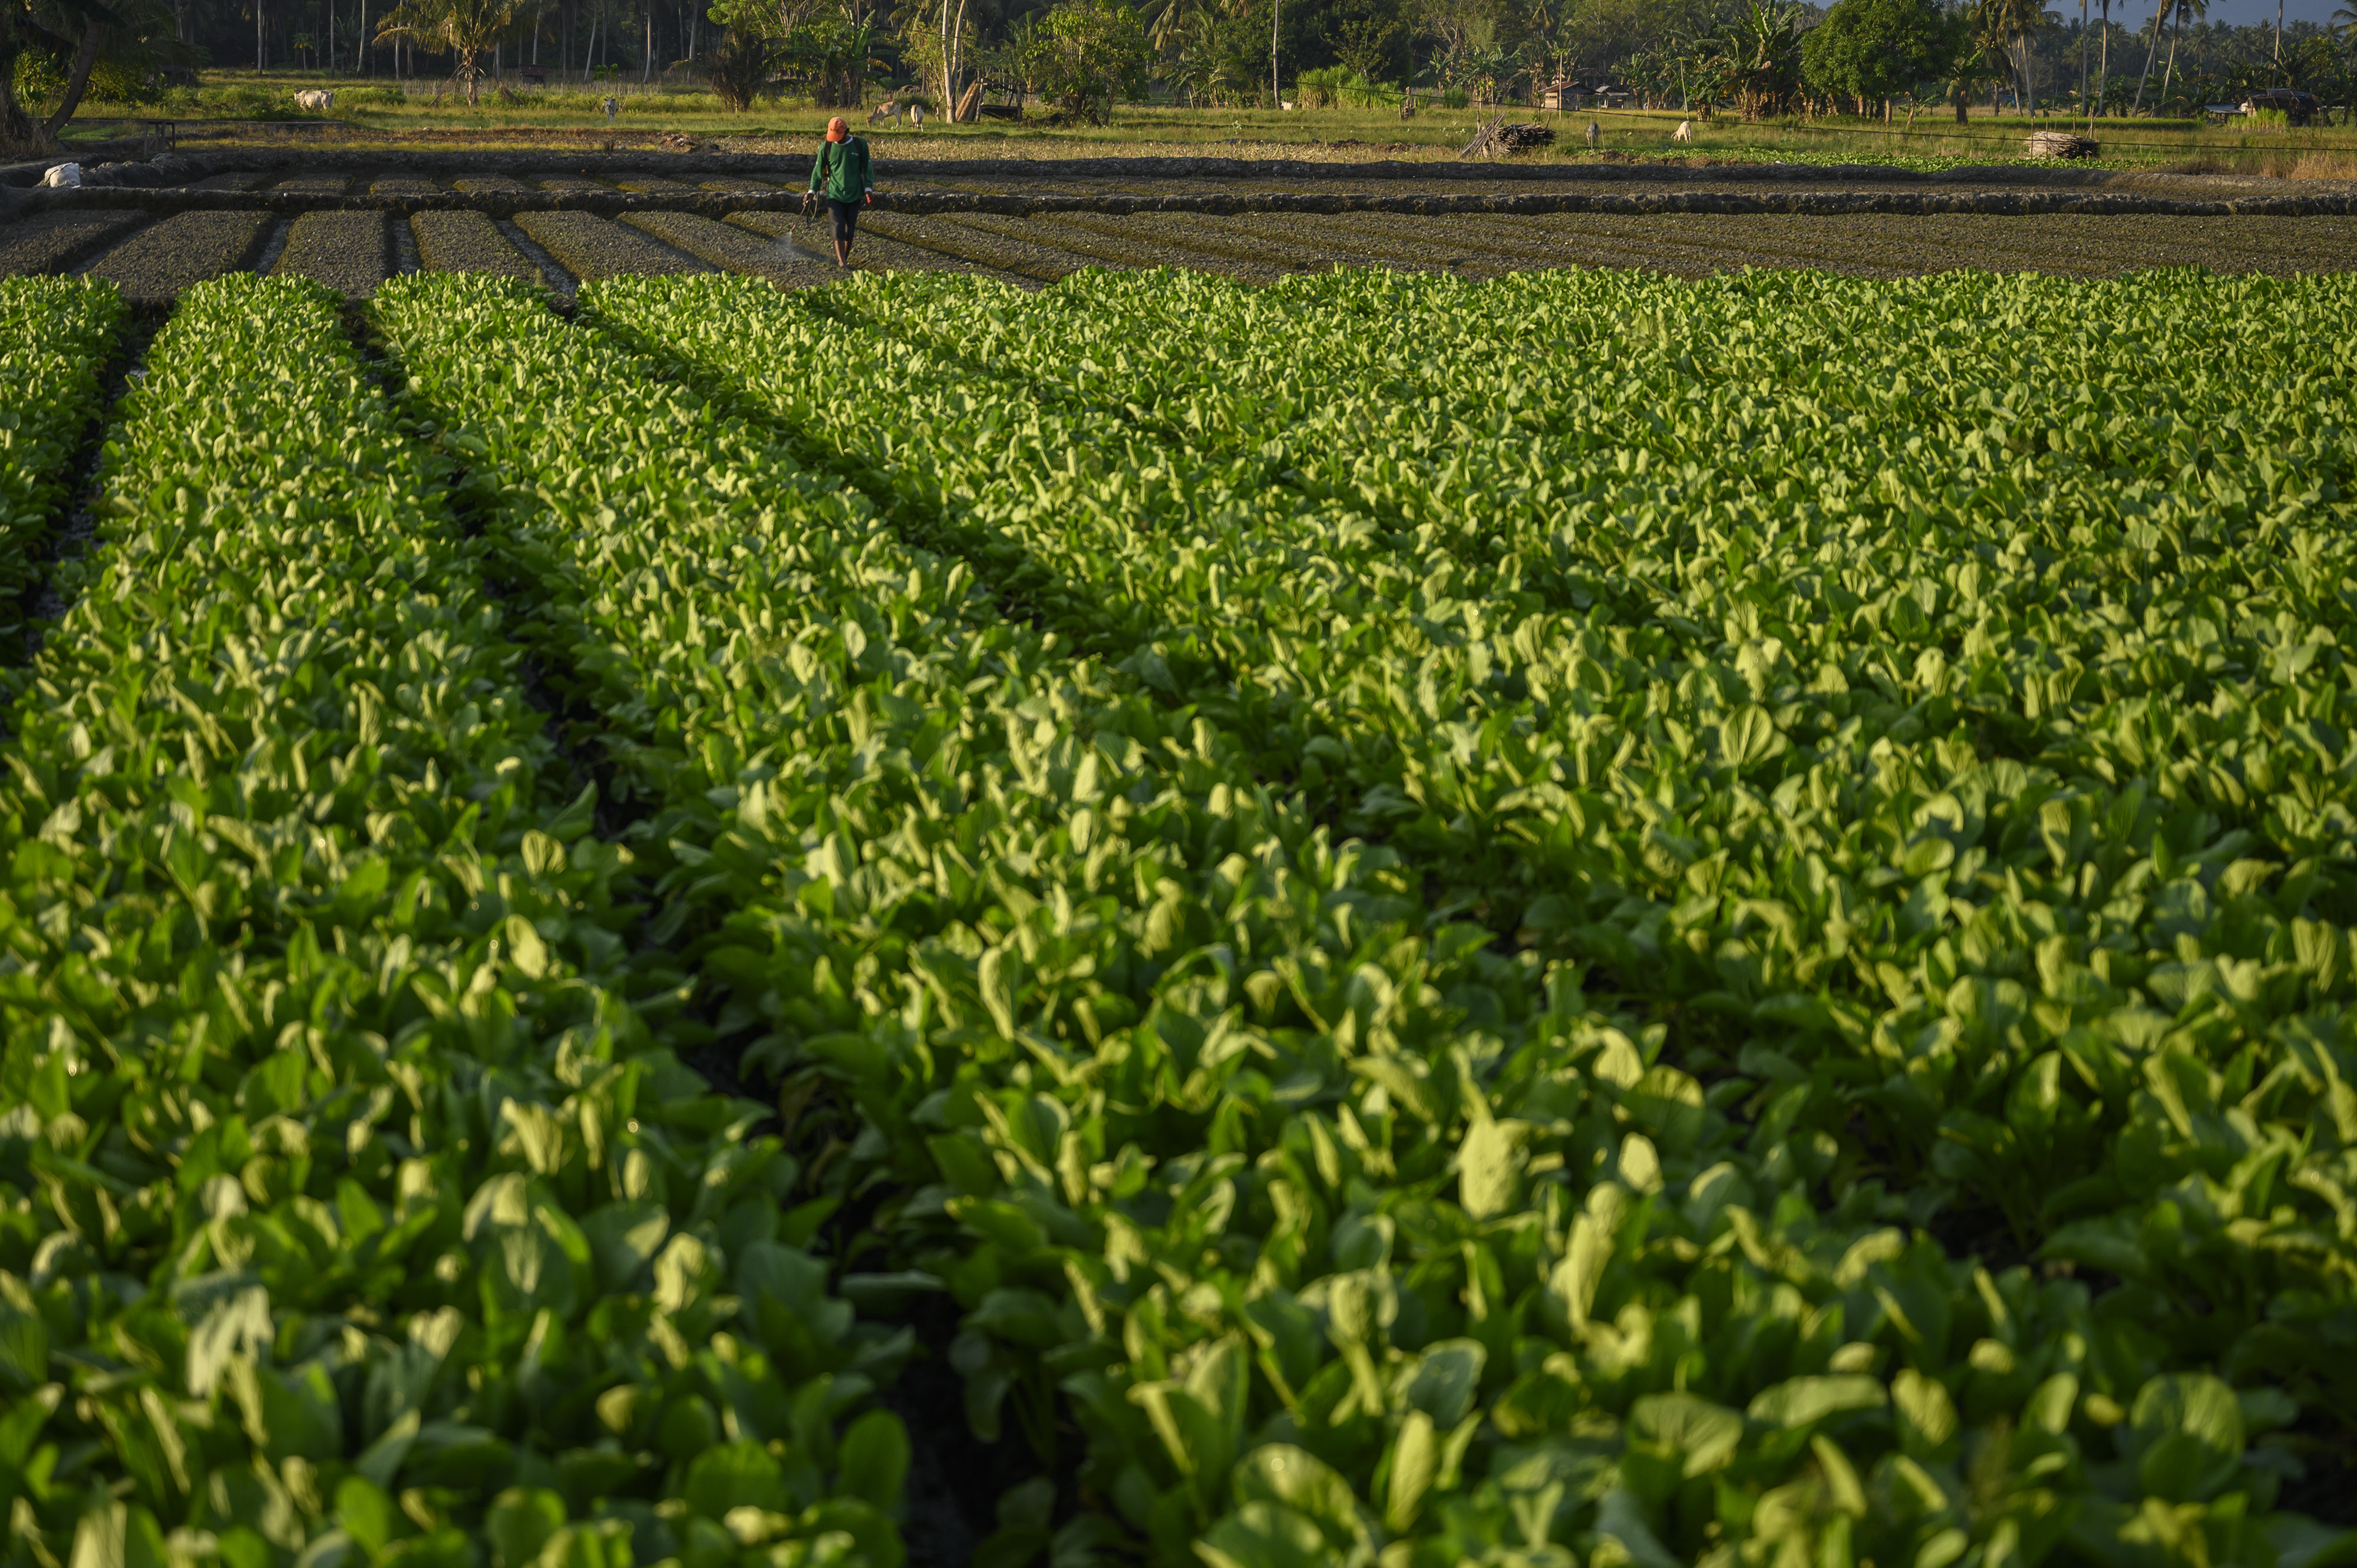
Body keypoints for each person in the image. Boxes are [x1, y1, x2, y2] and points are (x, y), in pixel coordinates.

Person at [808, 115, 874, 268]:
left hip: (854, 194)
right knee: (838, 227)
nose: (835, 139)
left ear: (846, 132)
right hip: (835, 194)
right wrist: (812, 191)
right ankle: (842, 262)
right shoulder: (826, 147)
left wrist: (868, 188)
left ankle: (844, 258)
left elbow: (868, 167)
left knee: (849, 231)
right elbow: (818, 171)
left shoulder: (860, 145)